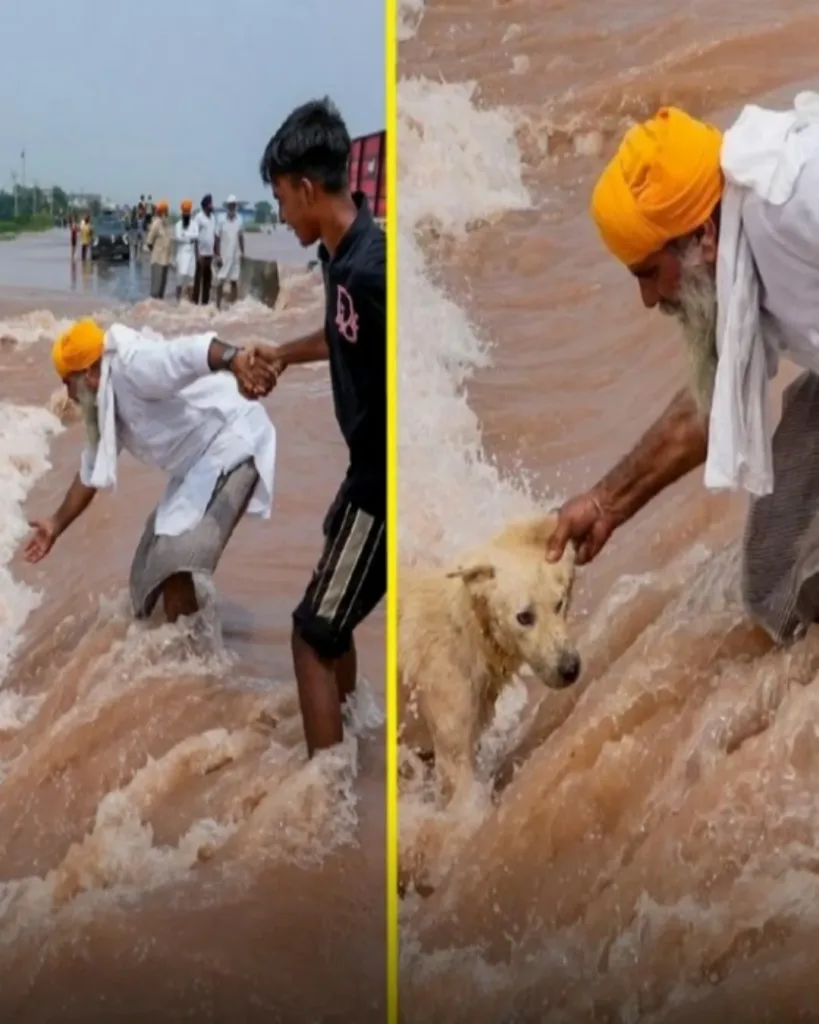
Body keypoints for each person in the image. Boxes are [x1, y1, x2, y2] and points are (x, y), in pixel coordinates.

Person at [546, 96, 819, 646]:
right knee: (774, 580)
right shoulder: (735, 245)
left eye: (649, 273)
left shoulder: (793, 204)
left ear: (703, 235)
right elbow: (707, 407)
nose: (650, 299)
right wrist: (605, 503)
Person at [252, 97, 386, 756]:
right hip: (362, 475)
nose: (279, 215)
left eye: (280, 199)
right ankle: (354, 737)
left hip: (382, 482)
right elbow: (340, 336)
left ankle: (323, 796)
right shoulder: (342, 255)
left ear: (306, 189)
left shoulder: (373, 269)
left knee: (310, 636)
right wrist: (281, 352)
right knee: (337, 618)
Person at [25, 319, 278, 623]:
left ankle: (192, 659)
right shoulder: (103, 401)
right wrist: (55, 523)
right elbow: (91, 470)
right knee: (145, 581)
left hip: (233, 444)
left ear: (90, 372)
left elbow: (187, 353)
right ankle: (179, 645)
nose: (68, 393)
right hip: (195, 468)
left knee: (173, 564)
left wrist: (234, 359)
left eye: (69, 382)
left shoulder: (134, 365)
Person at [215, 194, 245, 310]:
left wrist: (243, 252)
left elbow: (241, 237)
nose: (232, 208)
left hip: (235, 255)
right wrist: (217, 255)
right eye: (230, 206)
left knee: (234, 281)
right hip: (224, 255)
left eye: (233, 206)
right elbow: (216, 238)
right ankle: (217, 306)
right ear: (227, 206)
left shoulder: (240, 219)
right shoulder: (221, 219)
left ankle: (234, 306)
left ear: (236, 206)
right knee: (220, 280)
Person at [145, 199, 173, 299]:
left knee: (162, 291)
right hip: (157, 261)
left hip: (165, 261)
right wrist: (156, 252)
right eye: (166, 211)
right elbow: (149, 242)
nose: (167, 213)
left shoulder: (166, 224)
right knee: (155, 291)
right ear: (163, 212)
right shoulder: (156, 223)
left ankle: (159, 312)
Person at [192, 194, 218, 305]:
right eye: (211, 203)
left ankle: (205, 304)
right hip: (201, 254)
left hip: (209, 254)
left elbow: (215, 236)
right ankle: (194, 303)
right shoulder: (198, 217)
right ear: (206, 205)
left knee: (208, 281)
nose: (212, 206)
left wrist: (217, 253)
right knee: (198, 281)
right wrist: (197, 254)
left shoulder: (213, 218)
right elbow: (195, 237)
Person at [174, 199, 199, 301]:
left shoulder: (194, 224)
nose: (186, 214)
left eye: (187, 213)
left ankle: (190, 303)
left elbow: (196, 235)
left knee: (190, 282)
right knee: (179, 281)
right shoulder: (178, 225)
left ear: (190, 213)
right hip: (181, 256)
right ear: (182, 213)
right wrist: (190, 238)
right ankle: (178, 301)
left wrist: (186, 235)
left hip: (191, 256)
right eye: (184, 212)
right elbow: (178, 237)